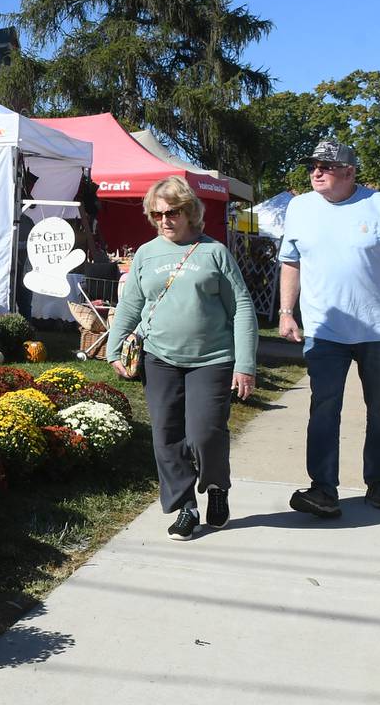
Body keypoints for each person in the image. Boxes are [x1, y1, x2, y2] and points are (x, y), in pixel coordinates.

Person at [278, 140, 380, 518]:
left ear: (349, 172)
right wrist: (285, 311)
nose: (316, 172)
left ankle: (379, 480)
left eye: (325, 166)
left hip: (379, 330)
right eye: (313, 165)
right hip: (324, 329)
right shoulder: (299, 208)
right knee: (323, 408)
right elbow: (291, 262)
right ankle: (323, 489)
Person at [105, 176, 257, 541]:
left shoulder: (213, 252)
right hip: (160, 357)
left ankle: (217, 487)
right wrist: (113, 348)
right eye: (156, 215)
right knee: (166, 436)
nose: (164, 221)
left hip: (212, 358)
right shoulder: (146, 253)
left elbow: (242, 308)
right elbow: (131, 305)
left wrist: (245, 364)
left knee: (205, 433)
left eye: (171, 212)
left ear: (190, 211)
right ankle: (184, 507)